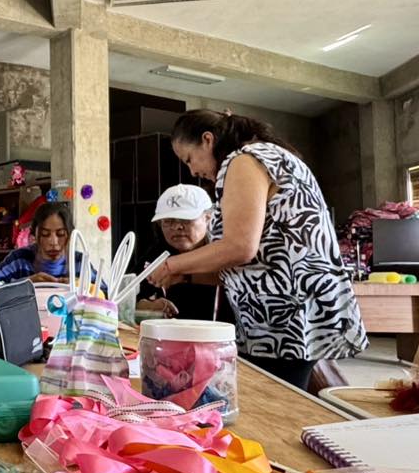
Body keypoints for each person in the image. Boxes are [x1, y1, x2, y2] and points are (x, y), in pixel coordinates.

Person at [147, 109, 367, 390]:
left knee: (276, 406)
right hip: (281, 316)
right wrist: (186, 276)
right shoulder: (256, 158)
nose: (192, 171)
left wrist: (172, 266)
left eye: (189, 159)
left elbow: (240, 247)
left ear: (207, 140)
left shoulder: (245, 160)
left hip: (287, 316)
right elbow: (254, 262)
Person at [135, 184, 222, 321]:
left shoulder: (224, 251)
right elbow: (130, 299)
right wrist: (147, 306)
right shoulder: (157, 255)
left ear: (208, 218)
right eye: (168, 221)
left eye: (186, 220)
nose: (177, 227)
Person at [0, 200, 99, 286]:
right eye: (45, 234)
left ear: (70, 235)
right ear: (34, 235)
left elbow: (106, 297)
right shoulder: (18, 260)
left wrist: (81, 287)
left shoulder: (79, 262)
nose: (53, 242)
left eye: (60, 234)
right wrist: (24, 285)